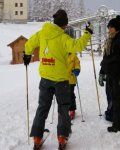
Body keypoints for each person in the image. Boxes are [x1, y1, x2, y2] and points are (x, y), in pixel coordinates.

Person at [23, 9, 92, 149]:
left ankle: (37, 137)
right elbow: (78, 45)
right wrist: (88, 33)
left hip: (45, 79)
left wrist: (27, 54)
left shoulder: (42, 33)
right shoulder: (63, 38)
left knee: (42, 107)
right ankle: (62, 137)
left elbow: (30, 43)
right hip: (61, 81)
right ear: (65, 24)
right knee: (63, 108)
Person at [99, 15, 120, 133]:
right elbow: (105, 58)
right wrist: (102, 72)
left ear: (116, 28)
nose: (109, 29)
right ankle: (116, 121)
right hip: (111, 75)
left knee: (118, 100)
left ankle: (119, 125)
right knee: (113, 98)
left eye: (110, 27)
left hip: (119, 75)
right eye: (108, 27)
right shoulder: (110, 40)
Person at [67, 52, 80, 120]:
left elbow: (77, 63)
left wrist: (77, 69)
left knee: (70, 94)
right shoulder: (59, 53)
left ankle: (72, 109)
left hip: (71, 79)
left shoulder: (73, 56)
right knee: (61, 95)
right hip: (61, 79)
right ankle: (63, 110)